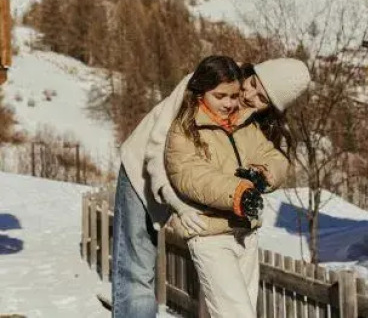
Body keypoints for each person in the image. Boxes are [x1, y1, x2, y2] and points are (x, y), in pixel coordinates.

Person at [111, 56, 310, 318]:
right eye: (252, 83)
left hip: (189, 187)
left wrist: (259, 176)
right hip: (144, 173)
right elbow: (157, 150)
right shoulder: (207, 83)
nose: (249, 95)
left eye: (262, 98)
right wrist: (178, 205)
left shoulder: (243, 113)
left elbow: (261, 157)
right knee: (138, 272)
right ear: (250, 72)